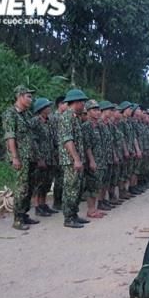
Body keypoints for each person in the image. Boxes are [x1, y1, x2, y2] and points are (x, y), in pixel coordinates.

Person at [2, 85, 40, 230]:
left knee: (29, 187)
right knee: (21, 188)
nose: (31, 99)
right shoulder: (10, 113)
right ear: (20, 96)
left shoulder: (26, 114)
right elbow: (10, 137)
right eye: (28, 96)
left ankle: (24, 214)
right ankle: (17, 219)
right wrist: (14, 157)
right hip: (21, 157)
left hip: (30, 156)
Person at [57, 88, 91, 228]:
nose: (83, 105)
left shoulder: (75, 118)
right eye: (82, 102)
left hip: (77, 159)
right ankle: (68, 217)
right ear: (75, 103)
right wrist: (76, 159)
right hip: (70, 160)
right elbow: (68, 140)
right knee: (71, 188)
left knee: (77, 188)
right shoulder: (66, 117)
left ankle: (74, 214)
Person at [31, 97, 59, 217]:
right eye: (47, 106)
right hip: (40, 157)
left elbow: (53, 139)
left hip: (50, 156)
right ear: (41, 109)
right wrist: (38, 158)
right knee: (39, 183)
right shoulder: (35, 122)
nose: (49, 108)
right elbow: (32, 141)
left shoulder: (50, 121)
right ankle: (37, 206)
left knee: (47, 182)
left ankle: (43, 204)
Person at [81, 100, 107, 219]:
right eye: (94, 110)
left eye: (98, 110)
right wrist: (91, 160)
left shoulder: (100, 126)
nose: (97, 112)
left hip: (101, 160)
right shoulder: (86, 126)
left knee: (97, 185)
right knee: (92, 185)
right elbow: (87, 146)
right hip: (93, 161)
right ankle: (91, 210)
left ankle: (94, 209)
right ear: (88, 112)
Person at [50, 95, 68, 210]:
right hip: (57, 151)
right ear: (60, 105)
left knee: (65, 177)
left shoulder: (65, 117)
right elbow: (52, 136)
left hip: (65, 151)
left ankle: (63, 200)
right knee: (59, 178)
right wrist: (55, 152)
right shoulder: (54, 118)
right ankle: (57, 202)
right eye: (66, 103)